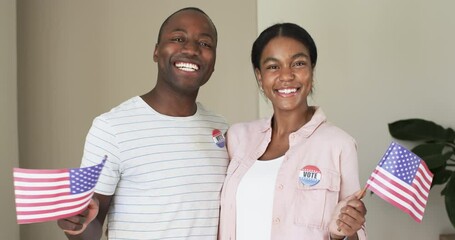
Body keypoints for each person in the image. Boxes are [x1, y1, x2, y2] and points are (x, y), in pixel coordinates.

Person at [57, 7, 229, 240]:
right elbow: (89, 228)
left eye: (205, 44)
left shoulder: (223, 129)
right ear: (157, 51)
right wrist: (75, 222)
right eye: (178, 39)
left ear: (214, 62)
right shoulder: (111, 127)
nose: (191, 49)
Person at [219, 23, 367, 240]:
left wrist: (345, 232)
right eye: (273, 66)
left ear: (311, 71)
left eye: (298, 63)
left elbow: (353, 234)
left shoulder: (339, 145)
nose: (286, 75)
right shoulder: (237, 138)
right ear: (260, 77)